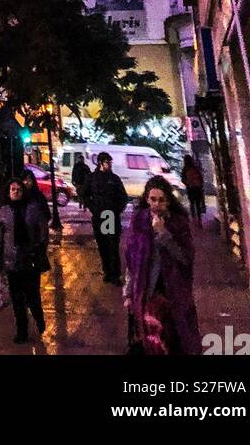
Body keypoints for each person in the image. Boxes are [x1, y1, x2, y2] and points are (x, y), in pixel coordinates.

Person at [122, 176, 202, 355]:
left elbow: (185, 258)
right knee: (150, 341)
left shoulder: (178, 223)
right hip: (145, 292)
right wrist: (127, 293)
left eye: (161, 200)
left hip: (172, 294)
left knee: (174, 341)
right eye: (152, 199)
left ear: (168, 201)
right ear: (146, 199)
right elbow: (131, 262)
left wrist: (164, 234)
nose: (156, 204)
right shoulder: (139, 222)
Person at [0, 177, 48, 344]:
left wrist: (39, 250)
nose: (15, 192)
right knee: (17, 300)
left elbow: (43, 232)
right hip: (12, 262)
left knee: (32, 296)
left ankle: (39, 317)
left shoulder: (33, 209)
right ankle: (21, 331)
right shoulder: (3, 212)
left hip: (30, 260)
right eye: (13, 190)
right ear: (8, 192)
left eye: (18, 190)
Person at [86, 152, 128, 285]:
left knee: (112, 245)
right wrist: (94, 208)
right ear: (100, 163)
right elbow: (85, 194)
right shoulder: (92, 178)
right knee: (103, 245)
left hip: (110, 215)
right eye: (107, 162)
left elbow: (123, 196)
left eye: (110, 162)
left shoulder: (114, 179)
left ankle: (114, 273)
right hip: (100, 216)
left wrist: (117, 209)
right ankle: (108, 272)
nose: (109, 165)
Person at [182, 154, 205, 224]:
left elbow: (183, 179)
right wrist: (200, 185)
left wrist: (187, 183)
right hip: (197, 188)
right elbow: (201, 177)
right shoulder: (195, 167)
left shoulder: (185, 169)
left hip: (190, 188)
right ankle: (199, 219)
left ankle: (194, 218)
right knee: (198, 204)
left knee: (192, 203)